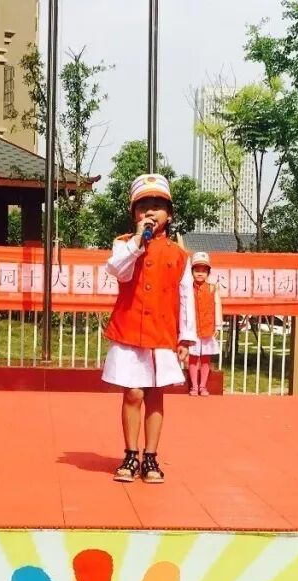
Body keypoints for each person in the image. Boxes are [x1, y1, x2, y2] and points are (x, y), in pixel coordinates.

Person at [102, 174, 197, 484]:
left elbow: (186, 297)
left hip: (162, 333)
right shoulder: (124, 245)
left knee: (156, 395)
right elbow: (117, 270)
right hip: (130, 330)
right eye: (143, 206)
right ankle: (130, 455)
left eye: (158, 205)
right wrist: (137, 243)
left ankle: (151, 457)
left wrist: (186, 337)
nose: (151, 212)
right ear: (134, 214)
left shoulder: (179, 255)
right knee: (133, 393)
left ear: (169, 214)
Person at [187, 252, 222, 396]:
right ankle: (194, 386)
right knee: (193, 358)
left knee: (206, 358)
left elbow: (217, 305)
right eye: (197, 270)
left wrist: (218, 325)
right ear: (192, 272)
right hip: (193, 329)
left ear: (208, 272)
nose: (200, 273)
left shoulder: (213, 288)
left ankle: (203, 386)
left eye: (203, 270)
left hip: (208, 328)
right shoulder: (188, 288)